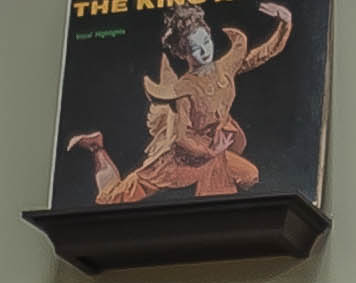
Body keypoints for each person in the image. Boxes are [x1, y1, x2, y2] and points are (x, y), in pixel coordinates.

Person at [64, 3, 293, 204]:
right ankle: (96, 146)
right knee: (111, 200)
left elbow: (262, 54)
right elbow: (181, 137)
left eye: (206, 41)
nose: (205, 51)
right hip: (176, 161)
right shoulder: (184, 90)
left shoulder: (224, 69)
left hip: (212, 151)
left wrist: (284, 23)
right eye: (196, 48)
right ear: (183, 52)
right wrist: (210, 150)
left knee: (249, 175)